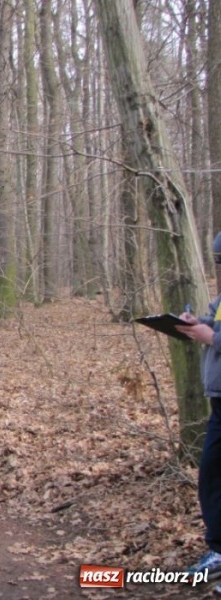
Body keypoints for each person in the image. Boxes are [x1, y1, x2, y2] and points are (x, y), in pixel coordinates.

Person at [177, 231, 221, 586]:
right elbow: (215, 322)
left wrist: (214, 339)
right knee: (211, 475)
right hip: (219, 403)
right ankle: (218, 548)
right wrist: (198, 326)